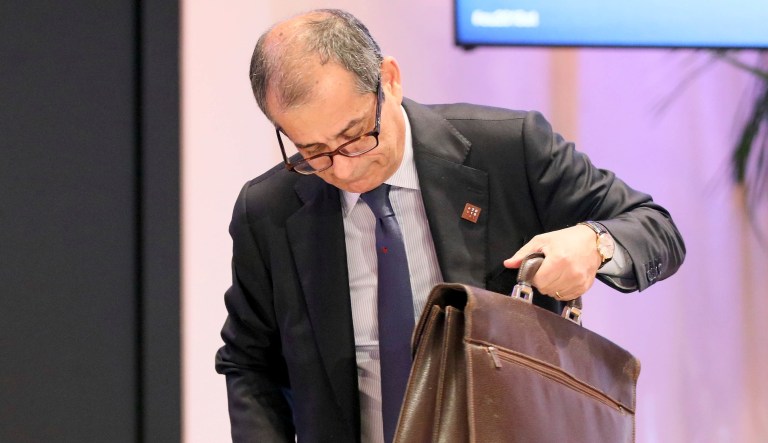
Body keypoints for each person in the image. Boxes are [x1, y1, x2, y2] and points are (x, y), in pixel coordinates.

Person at [215, 8, 685, 443]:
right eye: (314, 151)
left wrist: (595, 242)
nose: (344, 168)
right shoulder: (269, 210)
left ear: (389, 81)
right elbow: (249, 363)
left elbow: (656, 229)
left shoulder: (510, 150)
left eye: (355, 135)